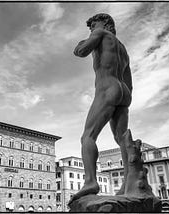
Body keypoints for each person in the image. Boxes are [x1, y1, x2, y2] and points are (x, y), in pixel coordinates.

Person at [69, 13, 132, 203]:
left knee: (88, 136)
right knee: (122, 138)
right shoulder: (122, 48)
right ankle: (128, 183)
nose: (91, 29)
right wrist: (125, 96)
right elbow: (129, 80)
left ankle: (90, 182)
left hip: (107, 88)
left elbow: (80, 51)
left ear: (105, 23)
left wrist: (88, 38)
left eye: (93, 24)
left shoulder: (100, 33)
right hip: (124, 92)